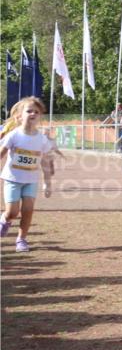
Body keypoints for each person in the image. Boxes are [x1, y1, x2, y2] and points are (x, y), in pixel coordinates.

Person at [0, 97, 55, 252]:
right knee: (12, 212)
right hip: (12, 179)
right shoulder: (14, 135)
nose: (33, 113)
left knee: (28, 210)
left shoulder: (42, 139)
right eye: (29, 111)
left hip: (31, 181)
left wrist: (47, 182)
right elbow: (1, 153)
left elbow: (45, 162)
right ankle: (4, 221)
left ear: (39, 117)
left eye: (36, 112)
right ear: (19, 115)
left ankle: (21, 239)